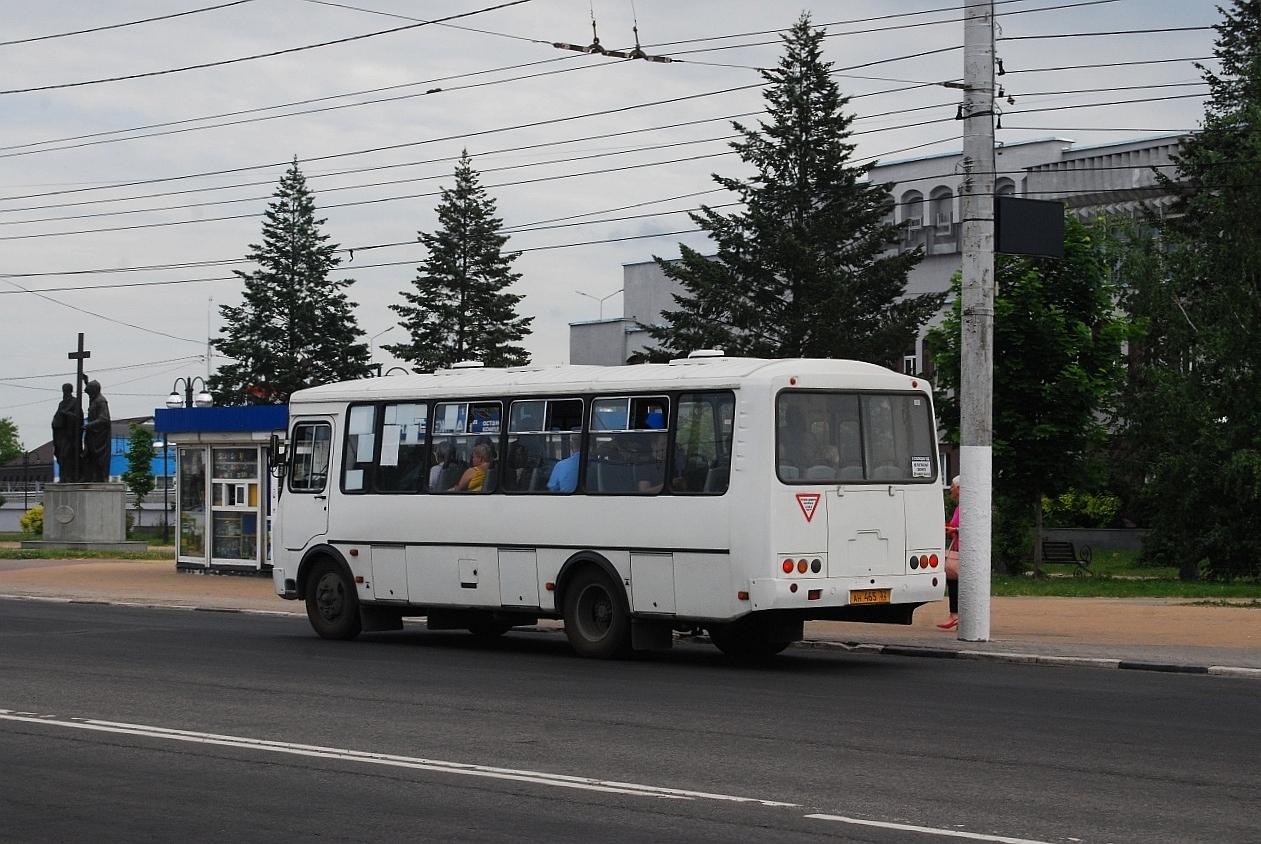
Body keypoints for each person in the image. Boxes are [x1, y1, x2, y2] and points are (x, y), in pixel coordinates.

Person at [938, 476, 961, 630]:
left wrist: (954, 530)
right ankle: (956, 615)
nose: (950, 489)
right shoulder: (959, 507)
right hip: (958, 549)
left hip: (962, 552)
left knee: (954, 581)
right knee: (954, 581)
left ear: (960, 488)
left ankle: (955, 615)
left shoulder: (966, 507)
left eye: (952, 486)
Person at [81, 377, 111, 483]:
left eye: (89, 392)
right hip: (92, 433)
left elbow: (104, 419)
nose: (88, 394)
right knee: (87, 454)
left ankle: (98, 477)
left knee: (97, 456)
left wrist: (89, 425)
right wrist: (86, 382)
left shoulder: (101, 401)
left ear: (94, 391)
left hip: (99, 435)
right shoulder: (94, 399)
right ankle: (88, 476)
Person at [51, 382, 82, 482]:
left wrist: (66, 413)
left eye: (67, 391)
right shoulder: (62, 403)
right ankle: (63, 477)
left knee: (67, 455)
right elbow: (57, 416)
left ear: (70, 391)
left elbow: (78, 417)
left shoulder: (75, 402)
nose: (65, 393)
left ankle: (70, 477)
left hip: (71, 435)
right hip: (61, 434)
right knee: (60, 455)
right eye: (64, 391)